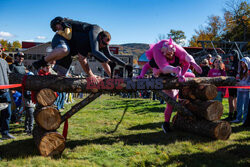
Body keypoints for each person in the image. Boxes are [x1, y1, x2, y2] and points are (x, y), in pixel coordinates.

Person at [33, 17, 132, 80]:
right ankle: (40, 62)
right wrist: (91, 75)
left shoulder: (100, 41)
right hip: (61, 40)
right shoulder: (90, 37)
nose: (104, 46)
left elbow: (107, 58)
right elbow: (82, 59)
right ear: (99, 38)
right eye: (103, 44)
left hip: (70, 49)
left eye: (106, 45)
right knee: (64, 50)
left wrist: (114, 75)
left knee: (60, 78)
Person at [140, 38, 202, 133]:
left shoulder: (177, 56)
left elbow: (186, 63)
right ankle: (166, 123)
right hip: (163, 78)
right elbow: (147, 66)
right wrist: (141, 75)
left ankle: (186, 112)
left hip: (174, 77)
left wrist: (184, 72)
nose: (171, 55)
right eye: (168, 54)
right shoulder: (157, 58)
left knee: (192, 76)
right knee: (171, 102)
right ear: (164, 53)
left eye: (172, 53)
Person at [0, 57, 15, 140]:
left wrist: (11, 87)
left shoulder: (4, 61)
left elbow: (9, 74)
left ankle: (5, 133)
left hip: (5, 92)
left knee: (7, 113)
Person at [231, 57, 250, 124]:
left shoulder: (249, 72)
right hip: (239, 90)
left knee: (245, 106)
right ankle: (238, 118)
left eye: (243, 62)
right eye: (241, 62)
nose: (242, 64)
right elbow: (237, 79)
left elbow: (248, 83)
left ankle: (244, 119)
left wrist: (241, 83)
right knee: (239, 104)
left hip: (246, 91)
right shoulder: (240, 71)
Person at [225, 50, 240, 121]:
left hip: (236, 84)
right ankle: (230, 114)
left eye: (231, 56)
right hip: (231, 83)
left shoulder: (238, 63)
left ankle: (235, 114)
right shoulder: (232, 63)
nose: (230, 57)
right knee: (230, 99)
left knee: (235, 99)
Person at [23, 68, 36, 135]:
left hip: (30, 103)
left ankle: (26, 128)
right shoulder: (27, 86)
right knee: (31, 116)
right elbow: (27, 94)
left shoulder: (31, 85)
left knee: (28, 116)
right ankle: (30, 130)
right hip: (29, 102)